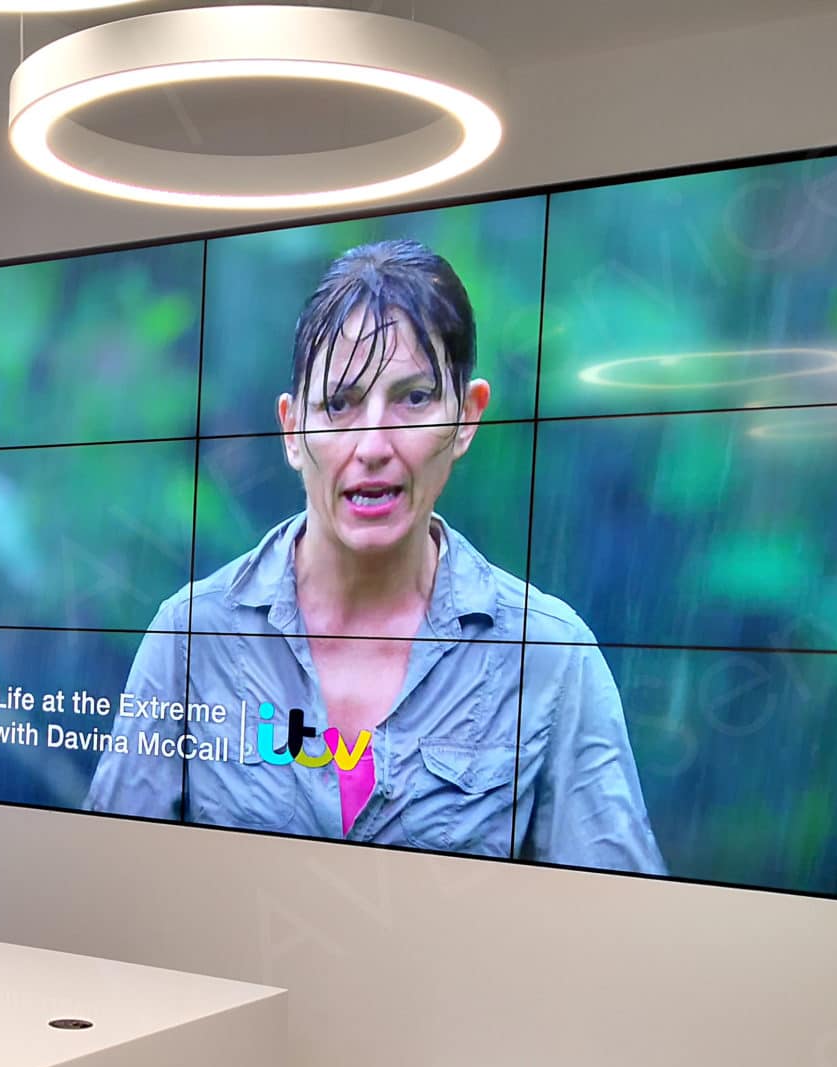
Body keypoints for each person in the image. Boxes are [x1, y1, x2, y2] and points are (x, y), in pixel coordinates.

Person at [85, 239, 664, 872]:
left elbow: (618, 913)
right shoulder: (192, 636)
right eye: (339, 405)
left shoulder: (549, 655)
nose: (373, 445)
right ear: (292, 429)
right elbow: (112, 889)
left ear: (467, 417)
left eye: (414, 399)